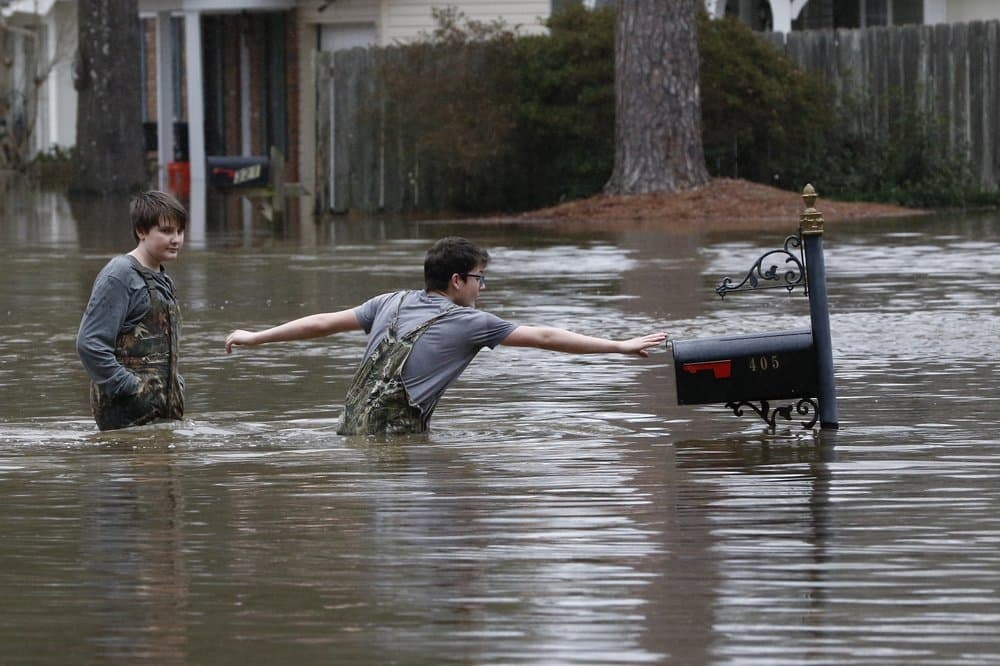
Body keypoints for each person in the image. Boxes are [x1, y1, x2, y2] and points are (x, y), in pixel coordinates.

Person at [224, 236, 666, 435]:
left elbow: (320, 323)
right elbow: (546, 337)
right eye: (480, 279)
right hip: (398, 441)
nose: (482, 288)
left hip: (351, 430)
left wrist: (256, 337)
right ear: (457, 281)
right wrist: (619, 346)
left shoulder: (389, 302)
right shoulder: (471, 323)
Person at [77, 190, 188, 431]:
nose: (176, 239)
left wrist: (176, 386)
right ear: (141, 231)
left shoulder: (162, 277)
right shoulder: (120, 275)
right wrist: (131, 388)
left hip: (162, 415)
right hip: (127, 418)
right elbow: (89, 344)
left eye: (180, 231)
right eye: (167, 231)